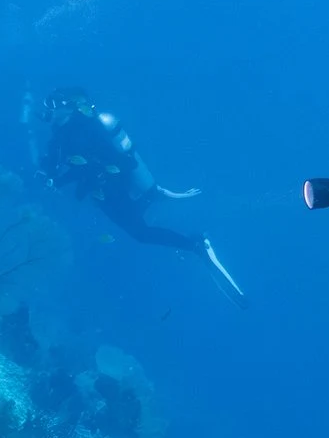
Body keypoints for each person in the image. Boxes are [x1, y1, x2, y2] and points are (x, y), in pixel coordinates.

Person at [38, 89, 246, 303]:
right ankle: (155, 200)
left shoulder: (85, 130)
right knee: (139, 229)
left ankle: (195, 244)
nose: (47, 109)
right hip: (100, 192)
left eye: (52, 104)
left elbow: (106, 162)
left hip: (111, 187)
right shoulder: (60, 131)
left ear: (68, 107)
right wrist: (47, 173)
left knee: (141, 233)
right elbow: (55, 158)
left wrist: (62, 180)